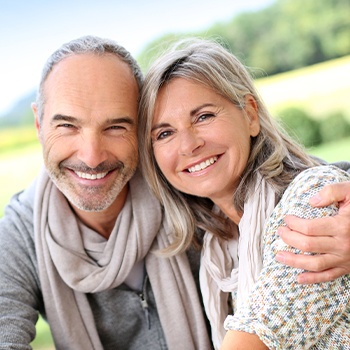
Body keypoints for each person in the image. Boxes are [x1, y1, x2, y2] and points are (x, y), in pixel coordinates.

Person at [0, 35, 212, 350]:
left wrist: (312, 207)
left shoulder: (189, 186)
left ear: (141, 127)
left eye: (115, 127)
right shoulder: (20, 235)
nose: (92, 156)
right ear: (38, 124)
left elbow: (282, 179)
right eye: (67, 126)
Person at [137, 38, 350, 349]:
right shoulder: (218, 249)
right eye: (165, 133)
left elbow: (258, 336)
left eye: (203, 116)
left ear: (250, 115)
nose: (188, 145)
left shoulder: (314, 201)